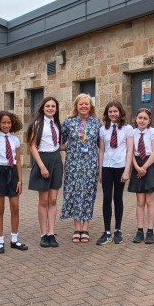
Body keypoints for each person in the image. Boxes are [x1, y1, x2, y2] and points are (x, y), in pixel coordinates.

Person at [60, 93, 102, 244]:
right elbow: (59, 142)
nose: (84, 106)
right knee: (74, 193)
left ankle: (86, 228)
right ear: (76, 106)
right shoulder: (68, 122)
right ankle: (77, 228)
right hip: (73, 165)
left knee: (88, 194)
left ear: (91, 106)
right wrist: (71, 147)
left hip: (90, 164)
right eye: (81, 104)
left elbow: (101, 146)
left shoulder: (97, 123)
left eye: (87, 104)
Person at [0, 110, 27, 254]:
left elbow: (18, 162)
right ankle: (0, 241)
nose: (6, 125)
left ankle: (14, 239)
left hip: (12, 174)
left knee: (15, 207)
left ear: (12, 123)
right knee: (0, 208)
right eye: (3, 122)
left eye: (8, 122)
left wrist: (20, 181)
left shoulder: (15, 140)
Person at [27, 97, 63, 248]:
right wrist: (41, 166)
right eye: (47, 106)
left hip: (55, 160)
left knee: (53, 199)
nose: (50, 108)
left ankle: (51, 233)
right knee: (43, 200)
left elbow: (59, 145)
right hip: (43, 160)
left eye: (53, 106)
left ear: (56, 108)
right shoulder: (37, 124)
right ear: (43, 108)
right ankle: (43, 234)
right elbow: (32, 146)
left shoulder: (57, 124)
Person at [96, 101, 134, 245]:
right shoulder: (103, 129)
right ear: (107, 114)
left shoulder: (127, 129)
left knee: (118, 197)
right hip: (106, 167)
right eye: (110, 112)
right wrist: (100, 170)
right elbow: (102, 150)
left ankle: (118, 230)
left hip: (120, 167)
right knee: (106, 198)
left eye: (115, 111)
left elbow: (130, 149)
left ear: (120, 112)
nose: (113, 114)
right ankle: (107, 232)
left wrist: (127, 170)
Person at [128, 108, 154, 244]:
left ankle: (150, 231)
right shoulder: (132, 132)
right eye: (139, 118)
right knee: (140, 202)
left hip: (150, 165)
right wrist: (136, 167)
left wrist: (145, 167)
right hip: (137, 163)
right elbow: (130, 151)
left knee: (150, 201)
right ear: (135, 119)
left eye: (145, 118)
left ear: (149, 121)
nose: (142, 120)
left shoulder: (152, 132)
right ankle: (139, 230)